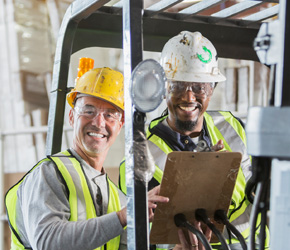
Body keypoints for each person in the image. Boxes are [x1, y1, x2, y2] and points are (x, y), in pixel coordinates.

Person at [119, 31, 269, 249]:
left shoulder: (231, 125)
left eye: (199, 87)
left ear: (212, 90)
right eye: (178, 85)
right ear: (163, 89)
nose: (189, 97)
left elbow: (262, 183)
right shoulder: (141, 157)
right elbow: (149, 238)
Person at [5, 67, 168, 250]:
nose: (99, 123)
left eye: (109, 114)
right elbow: (47, 242)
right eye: (88, 111)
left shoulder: (118, 198)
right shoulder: (49, 174)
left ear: (120, 124)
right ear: (72, 117)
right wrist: (124, 216)